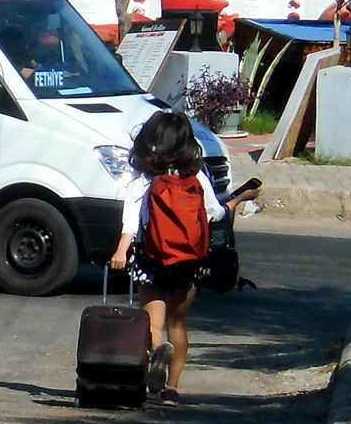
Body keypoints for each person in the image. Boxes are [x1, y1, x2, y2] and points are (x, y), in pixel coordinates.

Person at [107, 110, 256, 405]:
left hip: (151, 259)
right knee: (178, 323)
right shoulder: (196, 176)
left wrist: (121, 251)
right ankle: (172, 389)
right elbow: (214, 213)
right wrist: (240, 199)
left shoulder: (144, 178)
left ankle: (157, 348)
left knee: (153, 324)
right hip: (188, 261)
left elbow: (131, 221)